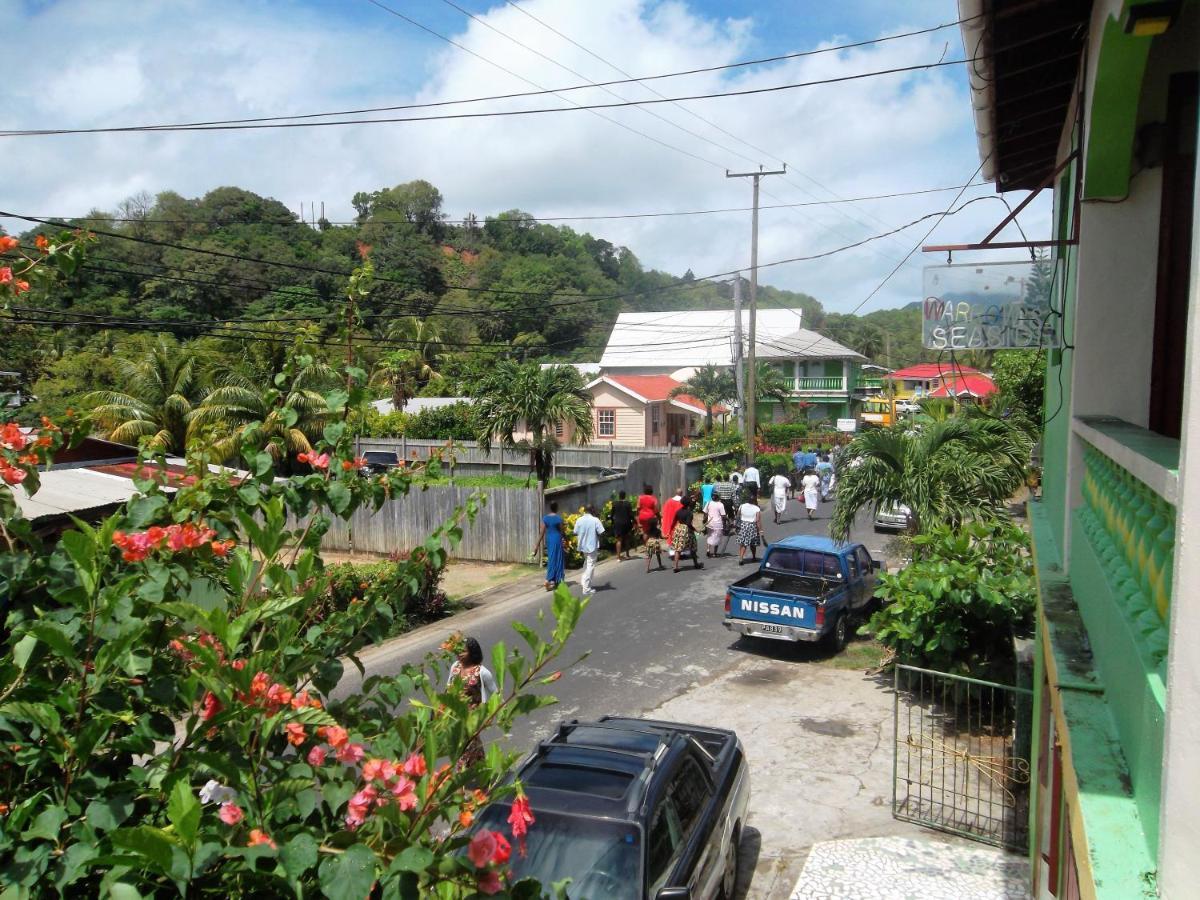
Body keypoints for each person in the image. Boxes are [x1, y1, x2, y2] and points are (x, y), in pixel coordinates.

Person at [446, 636, 498, 767]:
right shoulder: (455, 667)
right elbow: (448, 687)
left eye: (463, 651)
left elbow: (496, 694)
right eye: (457, 651)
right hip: (455, 715)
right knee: (467, 745)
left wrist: (491, 713)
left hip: (472, 717)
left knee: (466, 745)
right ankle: (481, 771)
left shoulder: (482, 672)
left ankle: (461, 776)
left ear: (472, 652)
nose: (459, 654)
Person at [572, 505, 605, 595]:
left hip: (583, 546)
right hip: (592, 546)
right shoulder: (595, 520)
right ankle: (586, 588)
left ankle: (584, 582)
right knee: (590, 566)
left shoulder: (579, 520)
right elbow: (601, 532)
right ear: (592, 510)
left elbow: (574, 532)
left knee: (586, 563)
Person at [533, 501, 565, 591]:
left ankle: (551, 580)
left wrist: (536, 546)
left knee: (551, 558)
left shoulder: (545, 518)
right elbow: (562, 532)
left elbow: (541, 533)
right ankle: (553, 580)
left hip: (549, 540)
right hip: (557, 540)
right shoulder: (559, 518)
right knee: (558, 559)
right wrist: (564, 540)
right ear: (557, 508)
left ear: (550, 508)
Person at [671, 496, 703, 573]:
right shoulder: (689, 513)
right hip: (686, 530)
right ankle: (696, 564)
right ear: (689, 503)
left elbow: (674, 521)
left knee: (677, 549)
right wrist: (696, 530)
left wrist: (671, 530)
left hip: (678, 529)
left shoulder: (678, 511)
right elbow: (688, 524)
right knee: (693, 547)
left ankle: (675, 566)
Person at [736, 496, 765, 564]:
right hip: (752, 526)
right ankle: (753, 557)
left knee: (743, 543)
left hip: (743, 525)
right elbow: (758, 520)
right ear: (754, 501)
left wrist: (736, 526)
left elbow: (738, 516)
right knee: (753, 543)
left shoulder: (742, 506)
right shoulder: (756, 508)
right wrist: (760, 530)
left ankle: (741, 557)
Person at [610, 490, 634, 560]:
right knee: (627, 539)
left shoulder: (614, 504)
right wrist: (634, 522)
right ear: (625, 496)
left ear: (619, 496)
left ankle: (618, 557)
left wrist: (612, 521)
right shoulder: (628, 503)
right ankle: (627, 555)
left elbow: (612, 514)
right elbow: (631, 515)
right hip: (626, 523)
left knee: (619, 540)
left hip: (618, 523)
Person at [661, 487, 684, 559]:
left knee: (672, 537)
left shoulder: (669, 501)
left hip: (671, 524)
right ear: (681, 493)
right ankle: (681, 553)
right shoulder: (683, 501)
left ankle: (672, 552)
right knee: (680, 538)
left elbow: (664, 513)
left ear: (676, 493)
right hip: (680, 523)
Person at [702, 490, 725, 558]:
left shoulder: (708, 503)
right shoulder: (720, 504)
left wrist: (704, 520)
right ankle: (715, 553)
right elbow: (723, 515)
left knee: (710, 536)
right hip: (718, 524)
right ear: (718, 497)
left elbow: (705, 512)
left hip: (710, 523)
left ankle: (708, 550)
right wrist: (727, 521)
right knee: (717, 538)